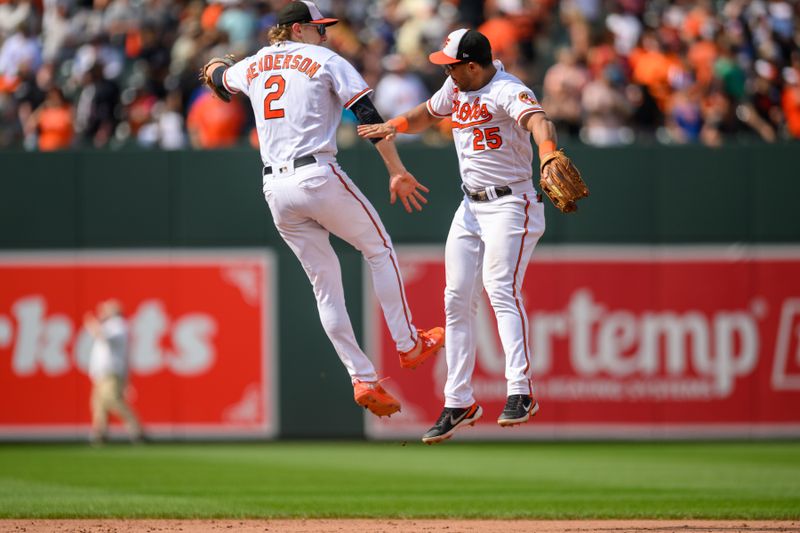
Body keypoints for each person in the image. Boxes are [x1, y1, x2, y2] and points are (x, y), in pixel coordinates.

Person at [201, 1, 444, 418]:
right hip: (316, 173)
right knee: (379, 248)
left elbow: (216, 76)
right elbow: (368, 116)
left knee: (324, 284)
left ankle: (361, 377)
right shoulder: (325, 59)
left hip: (275, 189)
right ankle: (408, 344)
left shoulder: (255, 64)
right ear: (297, 30)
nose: (326, 34)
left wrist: (215, 69)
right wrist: (397, 170)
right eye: (319, 27)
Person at [359, 29, 563, 443]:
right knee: (455, 298)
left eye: (451, 65)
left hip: (512, 203)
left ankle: (521, 391)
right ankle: (459, 401)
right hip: (470, 207)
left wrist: (548, 155)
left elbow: (540, 121)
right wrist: (393, 126)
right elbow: (426, 113)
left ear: (472, 65)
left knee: (499, 287)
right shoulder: (457, 88)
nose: (447, 72)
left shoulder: (507, 89)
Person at [84, 299, 143, 445]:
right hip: (102, 373)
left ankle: (136, 430)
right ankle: (100, 434)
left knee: (113, 400)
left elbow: (102, 335)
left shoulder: (117, 325)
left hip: (111, 372)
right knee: (98, 404)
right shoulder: (111, 325)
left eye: (105, 310)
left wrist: (91, 323)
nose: (102, 313)